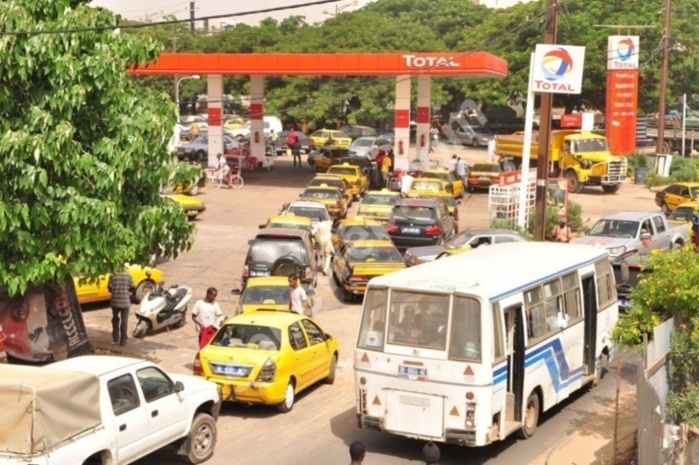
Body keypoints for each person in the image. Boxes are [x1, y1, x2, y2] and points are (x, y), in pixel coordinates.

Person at [108, 268, 135, 346]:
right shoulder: (128, 276)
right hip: (125, 302)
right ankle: (123, 342)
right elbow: (133, 287)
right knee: (124, 322)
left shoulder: (112, 275)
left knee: (115, 319)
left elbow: (109, 288)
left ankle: (115, 338)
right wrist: (127, 291)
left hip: (115, 301)